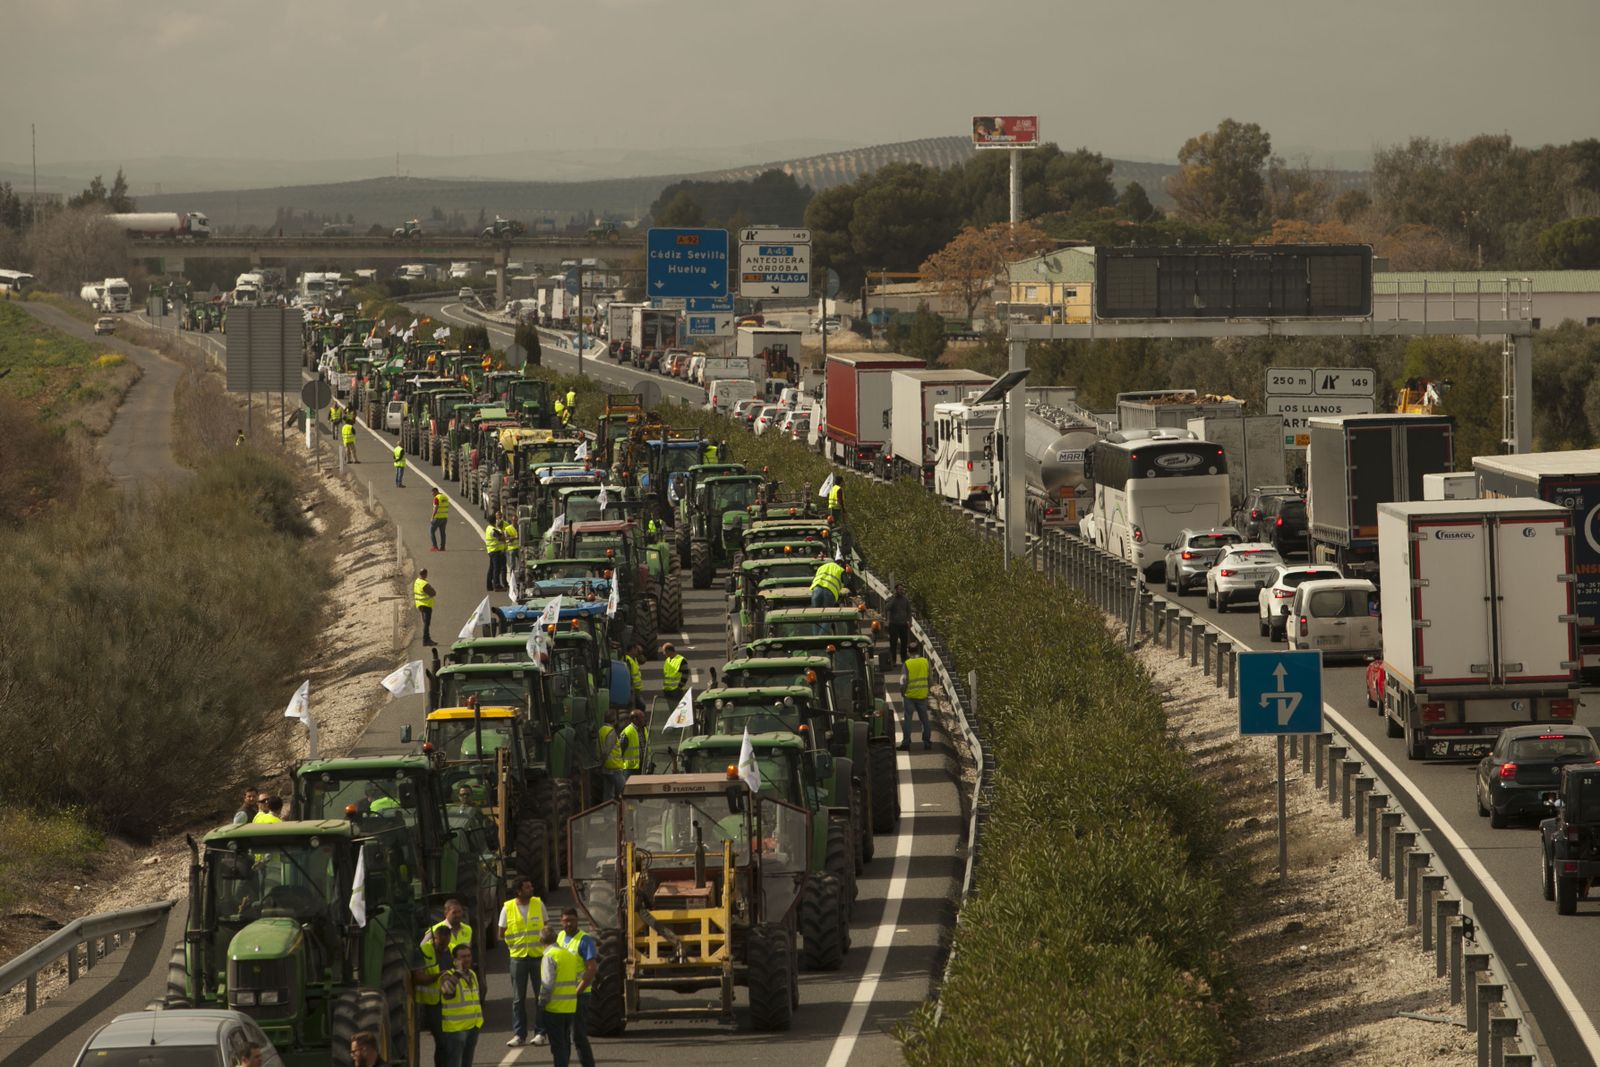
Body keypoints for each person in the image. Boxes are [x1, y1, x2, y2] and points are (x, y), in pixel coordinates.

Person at [500, 876, 548, 1048]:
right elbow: (501, 932)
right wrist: (513, 947)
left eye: (531, 886)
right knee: (518, 999)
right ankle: (519, 1034)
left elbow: (546, 927)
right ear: (518, 891)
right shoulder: (507, 908)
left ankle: (541, 1033)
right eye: (527, 887)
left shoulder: (538, 904)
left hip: (537, 957)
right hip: (518, 958)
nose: (531, 889)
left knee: (540, 997)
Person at [557, 908, 598, 1067]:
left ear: (577, 921)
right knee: (563, 1036)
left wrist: (577, 991)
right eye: (566, 920)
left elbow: (592, 968)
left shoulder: (584, 940)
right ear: (561, 921)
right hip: (563, 997)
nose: (569, 924)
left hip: (579, 996)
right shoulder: (560, 937)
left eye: (572, 920)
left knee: (579, 1037)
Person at [537, 925, 581, 1067]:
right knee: (565, 1041)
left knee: (557, 1046)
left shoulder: (549, 956)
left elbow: (547, 984)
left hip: (554, 1008)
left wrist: (542, 1002)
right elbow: (575, 979)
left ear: (541, 940)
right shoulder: (569, 955)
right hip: (570, 1007)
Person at [438, 942, 483, 1067]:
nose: (467, 959)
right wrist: (457, 973)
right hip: (456, 1029)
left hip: (473, 1026)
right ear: (455, 960)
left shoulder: (472, 974)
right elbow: (447, 992)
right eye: (463, 957)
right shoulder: (447, 975)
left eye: (468, 956)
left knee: (467, 1063)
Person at [414, 925, 452, 1067]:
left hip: (451, 1003)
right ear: (434, 938)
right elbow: (418, 978)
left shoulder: (452, 950)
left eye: (446, 943)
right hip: (432, 1005)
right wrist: (438, 976)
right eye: (441, 943)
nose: (443, 946)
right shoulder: (424, 952)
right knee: (442, 1041)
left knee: (451, 1042)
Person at [900, 640, 932, 751]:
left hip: (909, 696)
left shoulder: (907, 664)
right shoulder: (925, 662)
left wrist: (903, 692)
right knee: (924, 720)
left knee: (908, 719)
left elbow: (903, 681)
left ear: (908, 652)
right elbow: (930, 679)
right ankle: (927, 742)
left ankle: (906, 743)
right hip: (922, 695)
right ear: (918, 651)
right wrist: (927, 690)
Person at [599, 713, 626, 799]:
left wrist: (601, 763)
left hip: (605, 767)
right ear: (613, 721)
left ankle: (607, 811)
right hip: (614, 766)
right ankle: (627, 810)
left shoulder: (601, 730)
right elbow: (607, 750)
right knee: (624, 790)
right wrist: (603, 761)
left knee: (608, 792)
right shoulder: (611, 731)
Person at [884, 583, 912, 665]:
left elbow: (909, 611)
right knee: (893, 643)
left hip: (903, 624)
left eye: (902, 589)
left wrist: (910, 622)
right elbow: (887, 608)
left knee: (904, 643)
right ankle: (893, 660)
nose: (901, 591)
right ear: (896, 590)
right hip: (894, 624)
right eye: (899, 589)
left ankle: (903, 659)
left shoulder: (905, 600)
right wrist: (893, 599)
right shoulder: (891, 599)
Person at [659, 643, 687, 708]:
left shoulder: (681, 660)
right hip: (667, 690)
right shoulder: (667, 660)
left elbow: (685, 675)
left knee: (678, 709)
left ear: (669, 651)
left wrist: (679, 687)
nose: (663, 654)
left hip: (676, 691)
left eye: (664, 651)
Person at [415, 569, 437, 647]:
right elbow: (433, 593)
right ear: (425, 574)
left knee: (425, 623)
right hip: (426, 605)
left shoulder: (417, 581)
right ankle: (426, 640)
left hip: (420, 604)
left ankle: (427, 639)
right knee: (426, 624)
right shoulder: (424, 584)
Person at [484, 519, 506, 592]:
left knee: (491, 568)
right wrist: (503, 537)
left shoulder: (488, 528)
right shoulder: (493, 530)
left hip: (491, 550)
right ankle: (497, 585)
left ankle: (489, 585)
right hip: (495, 551)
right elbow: (499, 537)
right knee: (496, 569)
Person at [624, 643, 644, 709]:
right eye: (636, 649)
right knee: (641, 706)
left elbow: (643, 660)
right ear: (632, 649)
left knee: (638, 706)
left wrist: (640, 652)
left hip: (636, 689)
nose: (637, 651)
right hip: (632, 689)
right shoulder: (627, 660)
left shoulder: (634, 659)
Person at [500, 515, 519, 582]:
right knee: (512, 565)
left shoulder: (519, 527)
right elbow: (506, 539)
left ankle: (519, 577)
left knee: (522, 564)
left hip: (519, 548)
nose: (515, 522)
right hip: (512, 549)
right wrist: (514, 538)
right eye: (514, 520)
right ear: (511, 521)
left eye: (516, 520)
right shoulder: (508, 528)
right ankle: (511, 579)